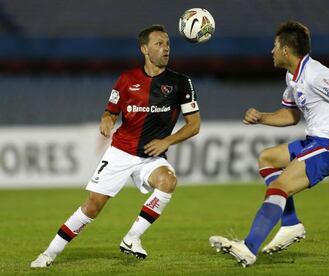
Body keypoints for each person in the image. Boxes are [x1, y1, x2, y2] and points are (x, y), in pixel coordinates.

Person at [209, 20, 329, 267]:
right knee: (267, 158)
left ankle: (249, 247)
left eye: (275, 46)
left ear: (286, 50)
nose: (272, 51)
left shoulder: (316, 75)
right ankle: (290, 223)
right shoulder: (293, 76)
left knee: (279, 186)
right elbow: (291, 116)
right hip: (316, 141)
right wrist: (262, 117)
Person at [31, 24, 201, 268]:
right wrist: (106, 120)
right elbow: (111, 111)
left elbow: (194, 125)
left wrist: (166, 141)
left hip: (151, 157)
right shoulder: (127, 80)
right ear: (144, 49)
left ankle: (132, 238)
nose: (165, 49)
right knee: (92, 207)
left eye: (168, 44)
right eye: (159, 44)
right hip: (121, 152)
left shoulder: (181, 83)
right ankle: (48, 254)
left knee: (168, 181)